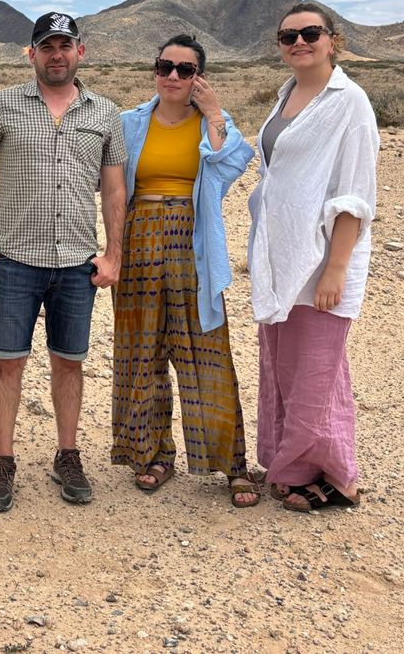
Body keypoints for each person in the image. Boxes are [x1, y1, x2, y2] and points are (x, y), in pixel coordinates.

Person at [0, 12, 127, 512]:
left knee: (69, 362)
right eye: (47, 46)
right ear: (31, 54)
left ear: (80, 52)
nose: (57, 55)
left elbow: (115, 189)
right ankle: (3, 460)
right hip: (14, 263)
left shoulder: (105, 113)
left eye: (65, 46)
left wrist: (114, 254)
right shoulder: (4, 104)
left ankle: (67, 455)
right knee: (8, 362)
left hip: (77, 263)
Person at [112, 35, 258, 506]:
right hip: (137, 238)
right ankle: (153, 454)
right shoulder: (129, 122)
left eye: (185, 69)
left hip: (192, 241)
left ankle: (232, 464)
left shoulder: (213, 124)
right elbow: (109, 183)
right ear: (155, 70)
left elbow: (232, 164)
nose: (173, 76)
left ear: (199, 77)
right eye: (165, 66)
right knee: (142, 351)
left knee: (206, 350)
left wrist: (214, 114)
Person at [249, 1, 379, 512]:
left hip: (323, 259)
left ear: (333, 40)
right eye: (288, 36)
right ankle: (296, 467)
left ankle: (340, 477)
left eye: (310, 33)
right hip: (283, 257)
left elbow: (355, 192)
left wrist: (336, 269)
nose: (299, 42)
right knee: (285, 366)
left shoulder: (350, 103)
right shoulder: (287, 95)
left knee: (319, 371)